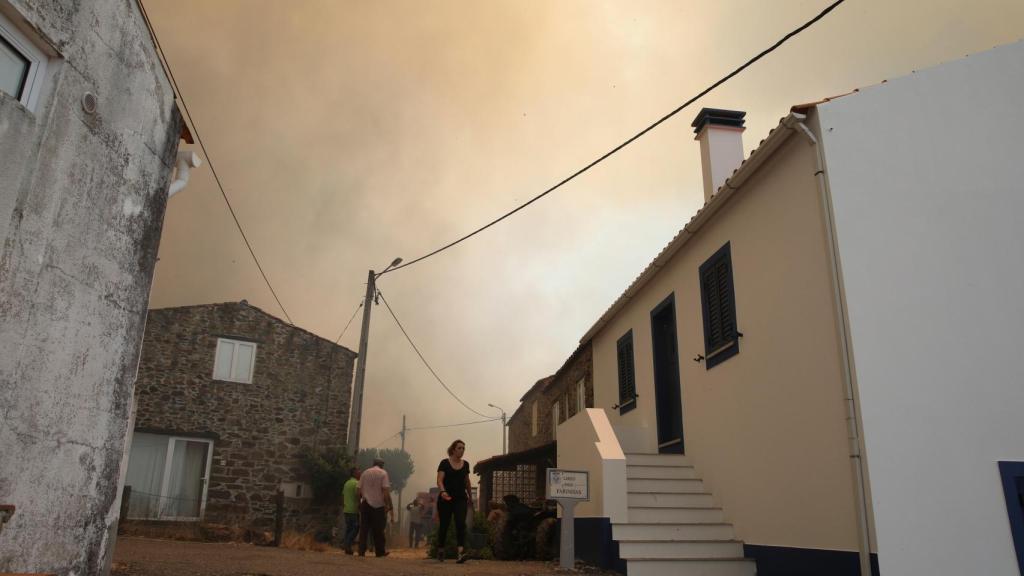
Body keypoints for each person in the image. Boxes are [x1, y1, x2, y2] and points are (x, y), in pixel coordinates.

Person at [435, 439, 472, 563]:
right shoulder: (444, 463)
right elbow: (439, 480)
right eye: (459, 448)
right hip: (446, 498)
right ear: (453, 449)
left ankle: (461, 553)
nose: (462, 450)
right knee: (444, 525)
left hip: (460, 499)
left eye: (463, 448)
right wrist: (443, 491)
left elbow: (467, 481)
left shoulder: (466, 464)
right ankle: (440, 548)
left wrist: (470, 497)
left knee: (460, 523)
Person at [358, 458, 393, 557]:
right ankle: (380, 552)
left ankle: (361, 551)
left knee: (364, 529)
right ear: (381, 465)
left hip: (365, 504)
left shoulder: (365, 473)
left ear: (373, 464)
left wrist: (359, 503)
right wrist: (387, 505)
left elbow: (358, 490)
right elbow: (385, 491)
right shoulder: (383, 473)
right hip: (378, 506)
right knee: (378, 530)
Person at [341, 467, 361, 554]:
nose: (360, 473)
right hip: (353, 510)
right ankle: (347, 544)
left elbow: (342, 496)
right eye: (358, 471)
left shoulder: (347, 483)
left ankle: (346, 546)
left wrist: (344, 505)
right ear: (354, 473)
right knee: (355, 528)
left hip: (346, 509)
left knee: (349, 528)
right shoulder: (357, 483)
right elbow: (358, 495)